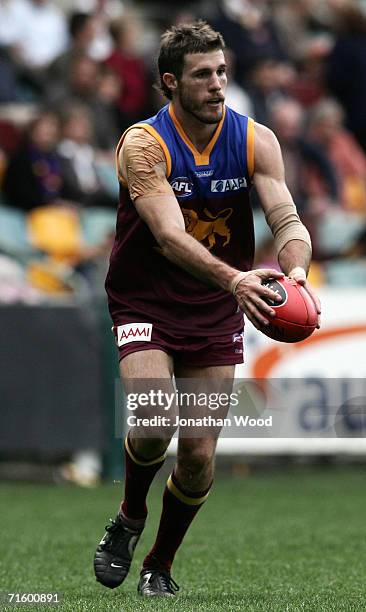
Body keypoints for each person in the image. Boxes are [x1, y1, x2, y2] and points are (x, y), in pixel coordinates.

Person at [93, 20, 320, 598]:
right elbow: (169, 237)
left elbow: (287, 219)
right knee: (152, 423)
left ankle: (159, 565)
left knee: (196, 455)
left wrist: (295, 272)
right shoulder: (143, 144)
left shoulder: (254, 139)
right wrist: (236, 279)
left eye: (222, 72)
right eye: (202, 75)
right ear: (171, 82)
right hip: (145, 297)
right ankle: (129, 516)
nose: (217, 84)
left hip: (215, 304)